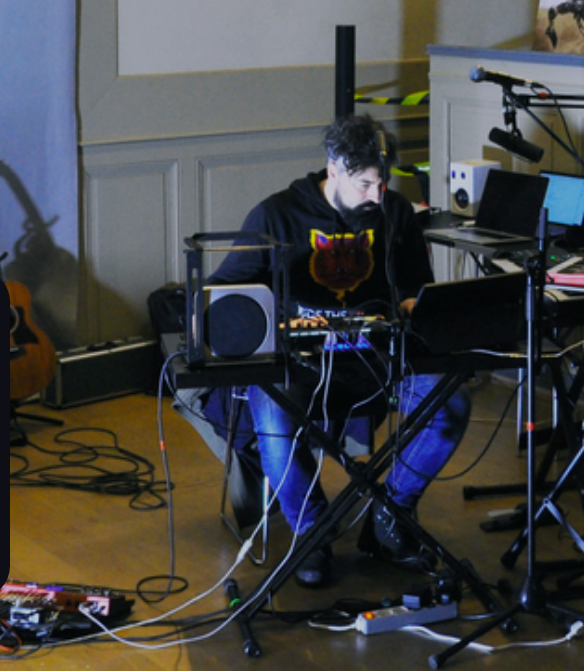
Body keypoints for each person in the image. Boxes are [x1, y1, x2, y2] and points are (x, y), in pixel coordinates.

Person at [200, 114, 469, 588]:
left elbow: (415, 287)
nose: (376, 195)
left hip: (379, 358)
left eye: (383, 183)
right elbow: (225, 292)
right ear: (333, 170)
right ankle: (313, 531)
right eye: (365, 184)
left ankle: (390, 516)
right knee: (275, 423)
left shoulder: (395, 212)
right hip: (301, 364)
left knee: (451, 406)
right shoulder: (276, 215)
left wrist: (413, 304)